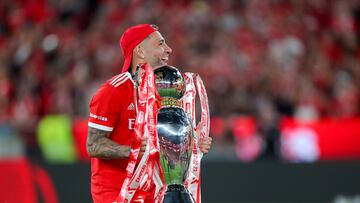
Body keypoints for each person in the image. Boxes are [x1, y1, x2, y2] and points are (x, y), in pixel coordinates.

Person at [86, 24, 212, 203]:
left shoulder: (166, 93)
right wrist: (135, 151)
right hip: (117, 193)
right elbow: (93, 144)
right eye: (160, 44)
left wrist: (192, 143)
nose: (169, 49)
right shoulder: (113, 91)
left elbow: (165, 146)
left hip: (155, 193)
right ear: (140, 52)